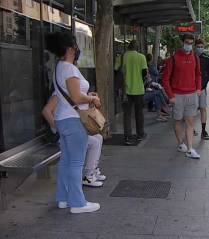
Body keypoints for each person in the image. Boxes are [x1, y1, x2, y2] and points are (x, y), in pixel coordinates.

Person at [45, 32, 101, 213]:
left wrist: (86, 96)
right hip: (73, 120)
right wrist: (91, 99)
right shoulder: (69, 69)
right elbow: (76, 97)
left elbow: (72, 95)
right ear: (70, 48)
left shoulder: (59, 67)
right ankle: (77, 203)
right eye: (75, 45)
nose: (77, 49)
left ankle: (63, 198)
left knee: (66, 161)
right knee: (77, 162)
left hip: (62, 119)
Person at [42, 92, 106, 187]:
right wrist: (58, 128)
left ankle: (93, 168)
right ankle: (89, 175)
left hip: (71, 129)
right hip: (63, 132)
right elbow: (46, 111)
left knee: (98, 137)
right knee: (94, 143)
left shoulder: (68, 91)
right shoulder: (57, 94)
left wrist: (88, 95)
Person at [162, 33, 202, 159]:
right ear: (182, 42)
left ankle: (190, 148)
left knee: (190, 121)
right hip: (177, 95)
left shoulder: (195, 58)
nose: (189, 45)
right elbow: (165, 79)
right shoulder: (173, 59)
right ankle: (180, 143)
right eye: (187, 43)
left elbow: (198, 74)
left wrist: (198, 88)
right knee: (178, 120)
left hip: (191, 94)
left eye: (191, 43)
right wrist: (170, 95)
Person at [114, 40, 149, 145]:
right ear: (137, 48)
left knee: (127, 114)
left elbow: (116, 71)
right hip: (138, 89)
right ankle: (140, 134)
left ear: (128, 47)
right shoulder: (141, 57)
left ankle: (128, 137)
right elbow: (144, 73)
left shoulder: (122, 56)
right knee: (139, 113)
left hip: (125, 90)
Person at [194, 38, 209, 140]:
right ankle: (191, 128)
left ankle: (203, 130)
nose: (200, 48)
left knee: (203, 108)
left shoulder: (206, 58)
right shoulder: (191, 57)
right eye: (198, 47)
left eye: (201, 47)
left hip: (201, 87)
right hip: (191, 87)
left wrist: (203, 84)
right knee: (191, 109)